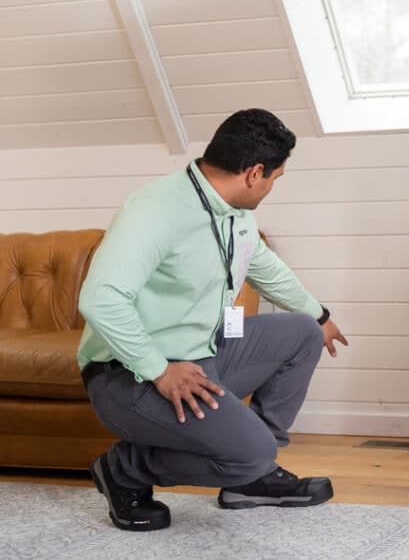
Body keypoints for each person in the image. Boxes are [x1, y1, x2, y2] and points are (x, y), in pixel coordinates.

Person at [77, 108, 348, 531]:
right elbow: (101, 298)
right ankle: (125, 470)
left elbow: (267, 269)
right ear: (254, 173)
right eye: (276, 178)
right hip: (130, 376)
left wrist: (320, 315)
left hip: (203, 355)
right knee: (253, 452)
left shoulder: (235, 214)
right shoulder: (156, 209)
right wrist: (158, 369)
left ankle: (250, 479)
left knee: (301, 332)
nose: (272, 187)